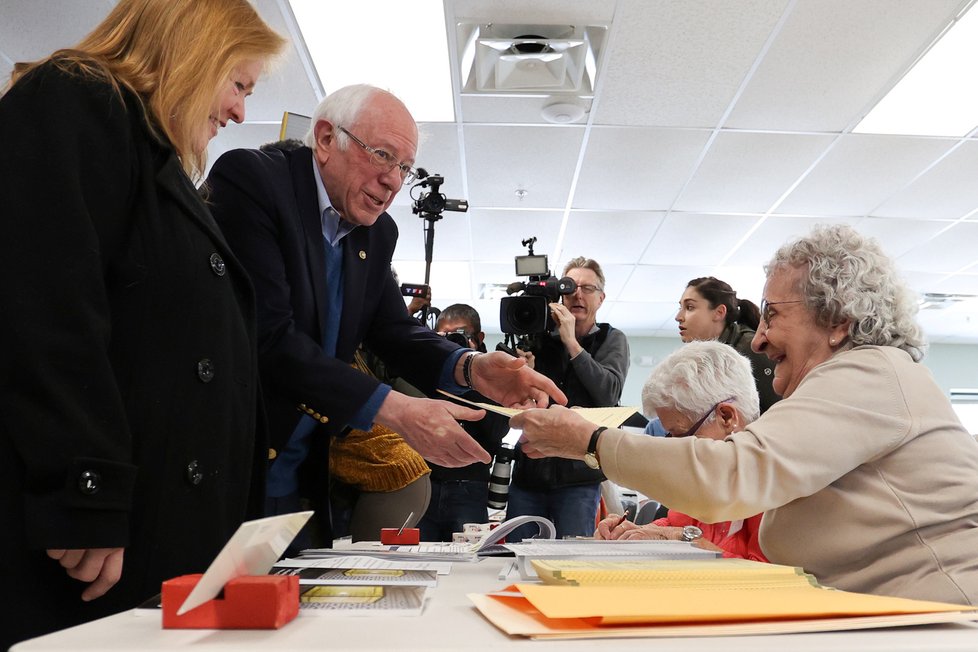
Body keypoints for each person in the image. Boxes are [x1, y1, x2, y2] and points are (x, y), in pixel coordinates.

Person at [0, 1, 285, 646]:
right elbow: (47, 311)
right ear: (192, 51)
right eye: (238, 84)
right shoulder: (75, 99)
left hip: (162, 540)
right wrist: (86, 495)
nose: (241, 111)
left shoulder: (154, 160)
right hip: (91, 551)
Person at [513, 224, 978, 605]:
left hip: (941, 618)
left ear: (838, 321)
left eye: (772, 315)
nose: (757, 339)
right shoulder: (849, 383)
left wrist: (588, 441)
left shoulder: (871, 372)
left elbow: (732, 474)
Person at [204, 84, 566, 545]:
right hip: (228, 465)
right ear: (324, 139)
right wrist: (394, 409)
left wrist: (472, 368)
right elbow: (268, 336)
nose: (394, 181)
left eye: (404, 167)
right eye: (381, 155)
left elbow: (391, 329)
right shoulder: (254, 181)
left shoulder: (376, 234)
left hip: (300, 479)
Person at [594, 342, 767, 562]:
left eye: (681, 436)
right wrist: (634, 532)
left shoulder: (775, 482)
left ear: (726, 416)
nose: (674, 448)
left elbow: (772, 579)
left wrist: (678, 538)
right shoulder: (708, 475)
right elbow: (678, 524)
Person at [506, 257, 630, 541]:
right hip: (530, 472)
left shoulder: (612, 339)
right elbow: (523, 402)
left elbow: (608, 393)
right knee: (513, 553)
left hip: (579, 477)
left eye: (587, 288)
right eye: (570, 286)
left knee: (572, 558)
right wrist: (525, 372)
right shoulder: (540, 340)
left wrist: (572, 343)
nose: (577, 294)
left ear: (601, 298)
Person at [418, 304, 510, 541]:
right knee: (419, 557)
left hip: (470, 485)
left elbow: (495, 432)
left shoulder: (497, 377)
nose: (452, 343)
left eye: (460, 335)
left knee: (469, 561)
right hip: (425, 483)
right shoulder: (427, 371)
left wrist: (467, 381)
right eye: (444, 337)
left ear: (479, 338)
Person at [675, 277, 779, 412]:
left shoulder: (751, 350)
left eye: (689, 307)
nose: (678, 316)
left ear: (719, 313)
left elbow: (779, 413)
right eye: (680, 307)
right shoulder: (710, 357)